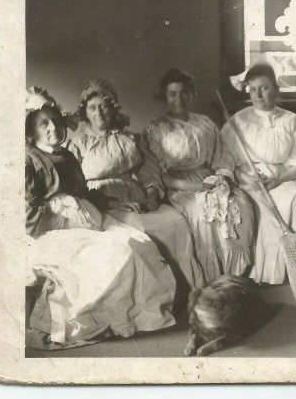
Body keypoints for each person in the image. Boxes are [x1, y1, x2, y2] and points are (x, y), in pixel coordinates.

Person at [25, 87, 176, 350]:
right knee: (113, 253)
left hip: (85, 219)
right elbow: (27, 216)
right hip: (50, 230)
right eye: (44, 123)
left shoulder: (67, 155)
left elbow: (83, 193)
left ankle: (135, 316)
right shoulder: (28, 161)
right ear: (31, 130)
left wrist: (105, 202)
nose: (53, 127)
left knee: (138, 245)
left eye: (56, 120)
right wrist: (59, 209)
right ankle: (104, 319)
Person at [66, 79, 204, 290]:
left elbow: (149, 172)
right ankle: (154, 292)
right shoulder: (77, 143)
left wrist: (152, 196)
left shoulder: (131, 138)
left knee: (175, 222)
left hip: (136, 195)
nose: (99, 113)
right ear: (85, 112)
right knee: (140, 232)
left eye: (103, 106)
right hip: (100, 201)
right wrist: (109, 203)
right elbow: (75, 187)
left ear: (113, 109)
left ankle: (182, 290)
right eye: (92, 108)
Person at [145, 68, 256, 283]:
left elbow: (222, 155)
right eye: (172, 94)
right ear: (164, 97)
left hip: (210, 179)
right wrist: (192, 187)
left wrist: (222, 177)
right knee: (201, 213)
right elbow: (156, 171)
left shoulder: (206, 123)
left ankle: (236, 275)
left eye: (184, 92)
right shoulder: (154, 128)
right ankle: (212, 278)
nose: (179, 99)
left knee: (239, 204)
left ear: (192, 94)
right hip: (178, 186)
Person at [221, 62, 296, 285]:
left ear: (276, 89)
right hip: (247, 179)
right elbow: (226, 158)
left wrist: (279, 179)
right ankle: (267, 274)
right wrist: (248, 180)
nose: (258, 94)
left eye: (264, 88)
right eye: (253, 89)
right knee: (261, 209)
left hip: (281, 177)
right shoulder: (238, 121)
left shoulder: (290, 120)